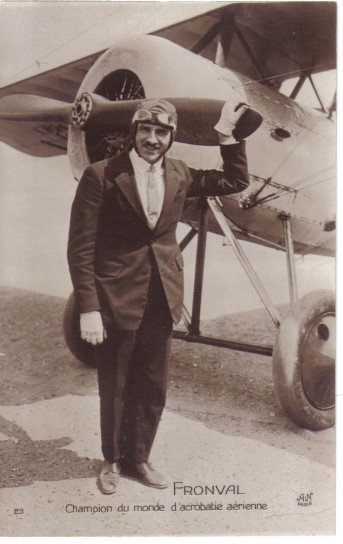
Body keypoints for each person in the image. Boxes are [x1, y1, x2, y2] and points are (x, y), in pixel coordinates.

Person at [67, 98, 256, 494]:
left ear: (171, 136)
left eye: (162, 132)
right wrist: (88, 308)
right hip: (117, 296)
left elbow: (235, 182)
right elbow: (80, 249)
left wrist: (226, 136)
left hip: (162, 297)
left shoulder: (180, 174)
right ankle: (112, 462)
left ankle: (140, 458)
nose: (153, 139)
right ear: (134, 133)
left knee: (153, 385)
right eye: (146, 131)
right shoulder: (101, 175)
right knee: (115, 384)